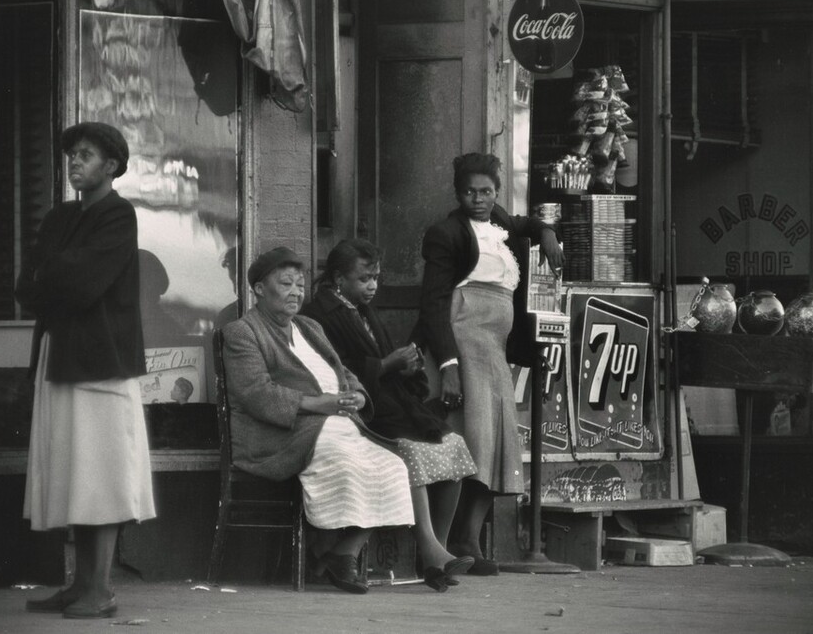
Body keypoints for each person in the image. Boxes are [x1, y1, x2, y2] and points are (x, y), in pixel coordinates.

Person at [16, 122, 156, 618]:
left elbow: (80, 284)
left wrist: (51, 272)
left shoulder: (118, 215)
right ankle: (79, 584)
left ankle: (100, 587)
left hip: (100, 362)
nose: (75, 162)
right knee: (72, 469)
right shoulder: (59, 217)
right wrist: (55, 273)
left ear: (111, 166)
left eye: (87, 155)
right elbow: (25, 287)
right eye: (72, 154)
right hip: (60, 354)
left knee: (101, 472)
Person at [222, 247, 415, 594]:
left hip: (337, 424)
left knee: (393, 465)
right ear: (259, 290)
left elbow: (343, 370)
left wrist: (357, 395)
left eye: (300, 284)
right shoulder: (243, 332)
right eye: (286, 284)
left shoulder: (309, 326)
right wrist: (318, 404)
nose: (296, 292)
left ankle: (344, 552)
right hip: (282, 434)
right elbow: (256, 394)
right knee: (344, 460)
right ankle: (323, 553)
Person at [413, 152, 564, 575]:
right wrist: (447, 364)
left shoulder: (500, 221)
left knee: (494, 443)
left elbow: (524, 223)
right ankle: (441, 545)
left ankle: (469, 537)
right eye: (469, 192)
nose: (478, 199)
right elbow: (434, 302)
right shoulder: (446, 234)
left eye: (486, 191)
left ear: (496, 192)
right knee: (466, 439)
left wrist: (547, 232)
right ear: (457, 194)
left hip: (494, 347)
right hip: (463, 338)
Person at [301, 239, 477, 591]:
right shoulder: (319, 315)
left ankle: (435, 552)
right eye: (364, 279)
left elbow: (385, 359)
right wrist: (386, 364)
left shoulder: (361, 310)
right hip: (368, 413)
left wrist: (407, 366)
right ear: (338, 278)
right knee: (411, 452)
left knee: (453, 444)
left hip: (397, 404)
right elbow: (335, 372)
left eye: (376, 279)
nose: (373, 287)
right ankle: (432, 553)